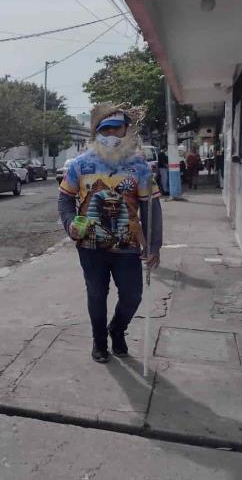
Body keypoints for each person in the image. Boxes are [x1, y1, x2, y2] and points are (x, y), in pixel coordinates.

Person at [58, 105, 162, 363]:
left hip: (127, 245)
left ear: (127, 130)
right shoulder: (80, 165)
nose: (111, 134)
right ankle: (99, 342)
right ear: (96, 133)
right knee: (96, 294)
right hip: (90, 245)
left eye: (116, 128)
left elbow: (151, 208)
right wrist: (70, 223)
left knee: (132, 295)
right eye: (105, 129)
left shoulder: (139, 166)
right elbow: (65, 199)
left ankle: (117, 329)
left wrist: (154, 245)